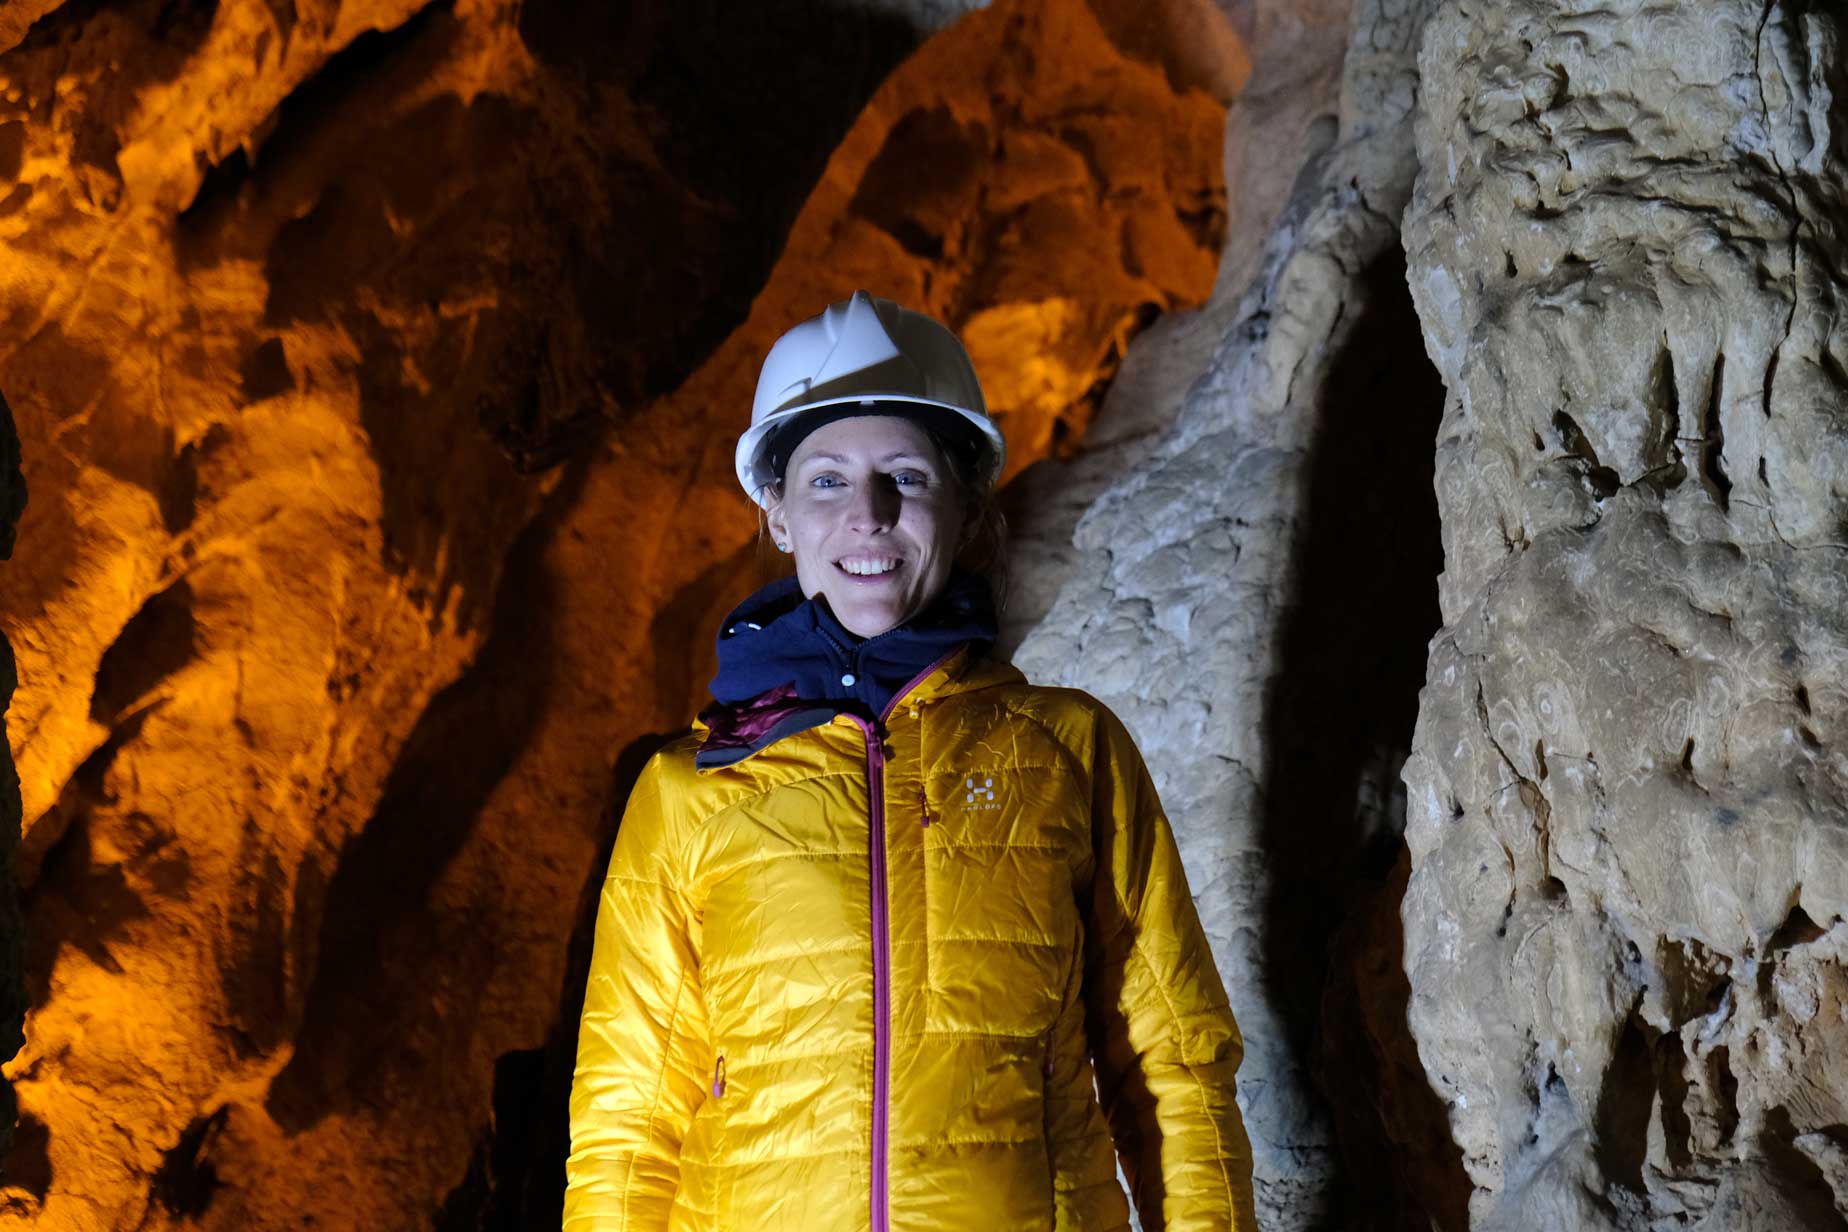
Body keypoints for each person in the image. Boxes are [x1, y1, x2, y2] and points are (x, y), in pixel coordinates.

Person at [565, 290, 1256, 1231]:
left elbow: (1173, 1065)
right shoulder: (691, 791)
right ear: (776, 514)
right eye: (826, 481)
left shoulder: (1067, 750)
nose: (870, 514)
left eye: (907, 476)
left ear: (967, 504)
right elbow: (627, 1121)